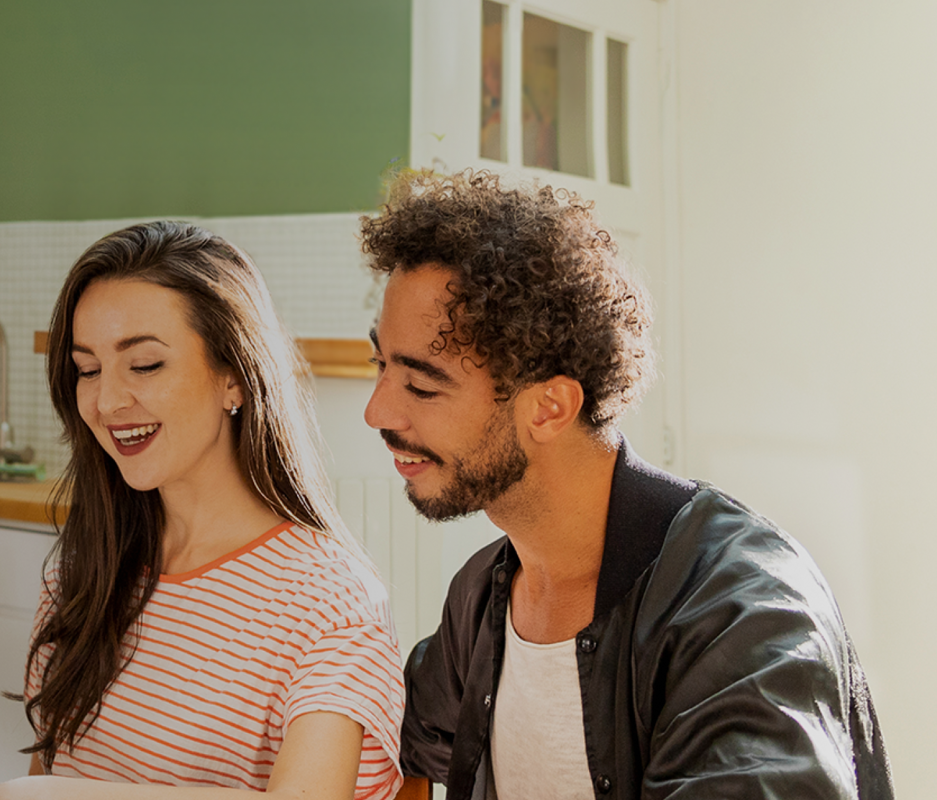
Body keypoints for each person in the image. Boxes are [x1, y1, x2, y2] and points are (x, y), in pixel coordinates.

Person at [360, 170, 893, 799]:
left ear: (550, 407)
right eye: (381, 365)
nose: (377, 413)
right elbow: (412, 754)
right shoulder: (481, 597)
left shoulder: (741, 609)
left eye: (421, 384)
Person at [0, 221, 405, 800]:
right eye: (88, 370)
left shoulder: (331, 602)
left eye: (145, 365)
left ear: (233, 375)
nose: (107, 401)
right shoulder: (87, 571)